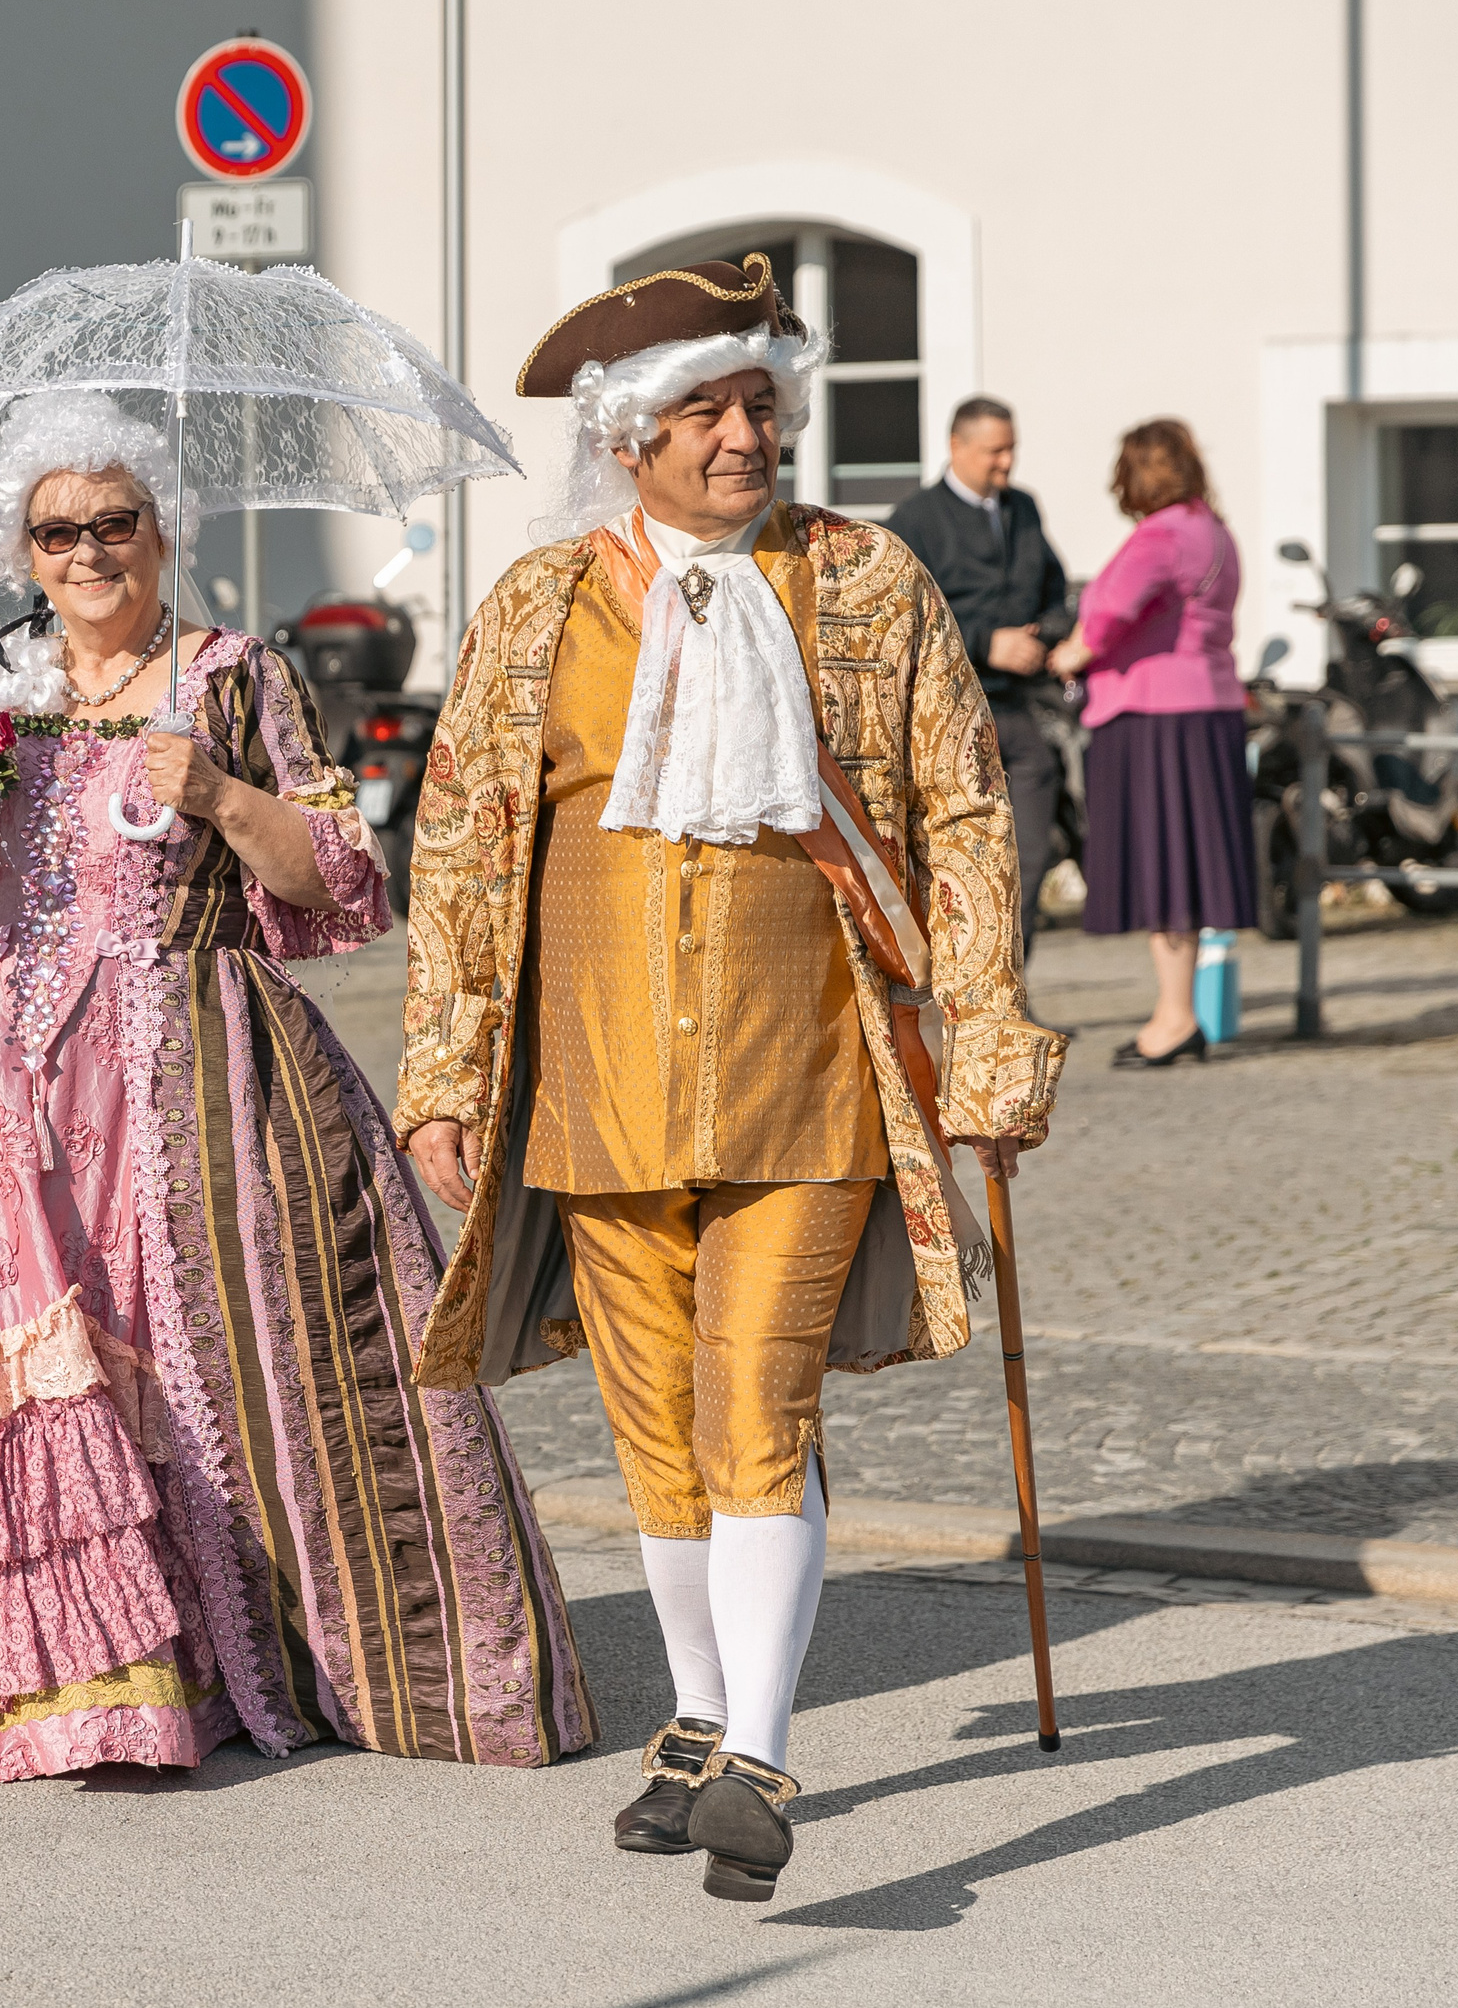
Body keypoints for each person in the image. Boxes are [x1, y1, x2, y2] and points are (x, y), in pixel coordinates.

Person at [0, 390, 595, 1780]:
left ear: (164, 532)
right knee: (12, 1368)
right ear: (21, 548)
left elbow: (343, 885)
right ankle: (22, 1674)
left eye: (116, 521)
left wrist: (225, 796)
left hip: (190, 1085)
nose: (88, 552)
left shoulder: (235, 676)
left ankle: (209, 1662)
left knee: (212, 1368)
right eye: (58, 530)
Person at [396, 256, 1063, 1903]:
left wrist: (981, 1028)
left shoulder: (869, 581)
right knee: (660, 1432)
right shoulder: (541, 607)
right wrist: (444, 1070)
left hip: (809, 1072)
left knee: (757, 1405)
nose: (746, 433)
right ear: (629, 433)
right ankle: (696, 1723)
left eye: (763, 400)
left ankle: (759, 1754)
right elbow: (466, 848)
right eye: (707, 406)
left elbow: (964, 807)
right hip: (601, 1078)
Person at [1047, 418, 1253, 1066]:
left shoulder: (1161, 535)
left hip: (1154, 712)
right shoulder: (1214, 531)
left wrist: (1069, 653)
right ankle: (1178, 1012)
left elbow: (1108, 613)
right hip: (1210, 706)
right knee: (1186, 867)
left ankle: (1173, 1016)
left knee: (1164, 867)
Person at [886, 397, 1074, 953]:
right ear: (956, 447)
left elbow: (1055, 591)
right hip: (953, 717)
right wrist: (988, 641)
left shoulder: (1024, 509)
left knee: (1032, 855)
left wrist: (1046, 633)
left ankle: (1016, 982)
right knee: (965, 860)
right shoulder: (914, 520)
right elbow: (901, 616)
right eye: (995, 450)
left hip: (1020, 712)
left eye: (1012, 449)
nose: (1007, 463)